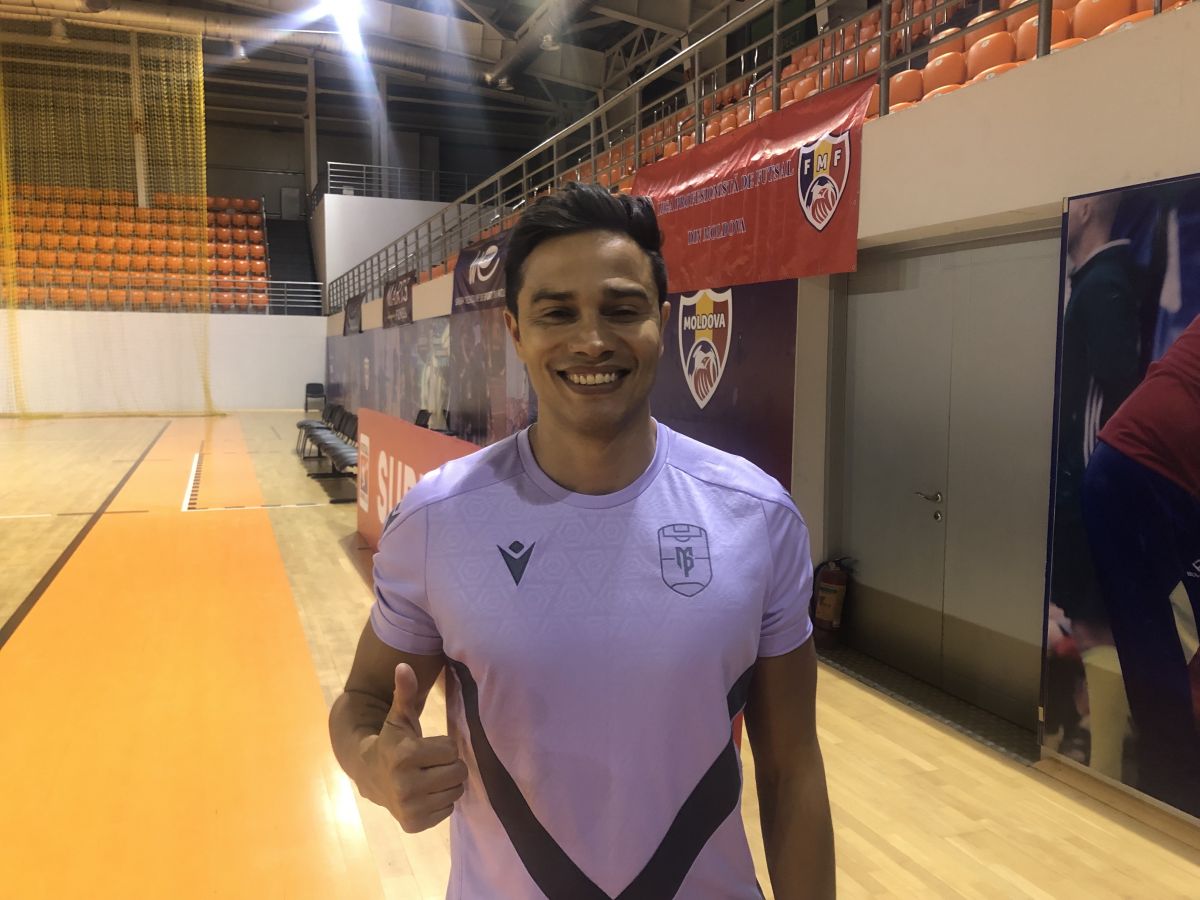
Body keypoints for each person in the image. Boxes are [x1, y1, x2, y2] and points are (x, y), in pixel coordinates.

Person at [328, 182, 835, 899]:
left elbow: (792, 770)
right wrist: (374, 768)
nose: (592, 340)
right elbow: (360, 701)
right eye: (557, 313)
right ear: (515, 331)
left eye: (621, 309)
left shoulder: (758, 518)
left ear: (662, 321)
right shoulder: (438, 520)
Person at [1082, 313, 1200, 817]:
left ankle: (1173, 790)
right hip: (1140, 476)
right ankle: (1175, 805)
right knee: (1158, 654)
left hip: (1148, 472)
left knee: (1165, 651)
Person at [1049, 192, 1145, 778]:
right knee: (1083, 622)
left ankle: (1107, 763)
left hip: (1091, 489)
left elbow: (1118, 398)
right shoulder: (1095, 283)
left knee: (1093, 623)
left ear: (1084, 212)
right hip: (1086, 488)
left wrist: (1089, 492)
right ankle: (1094, 743)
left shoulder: (1104, 286)